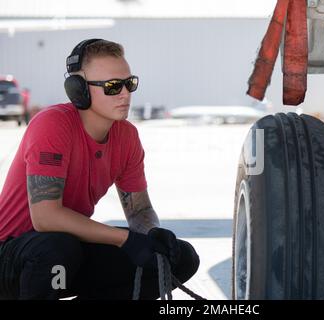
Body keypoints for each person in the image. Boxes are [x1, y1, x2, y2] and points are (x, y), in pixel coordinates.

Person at [0, 39, 199, 300]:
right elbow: (46, 218)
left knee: (180, 258)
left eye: (130, 83)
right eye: (113, 86)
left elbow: (139, 210)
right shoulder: (52, 124)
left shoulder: (127, 137)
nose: (125, 94)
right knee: (58, 247)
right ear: (78, 90)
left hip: (68, 252)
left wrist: (153, 235)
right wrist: (123, 240)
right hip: (14, 256)